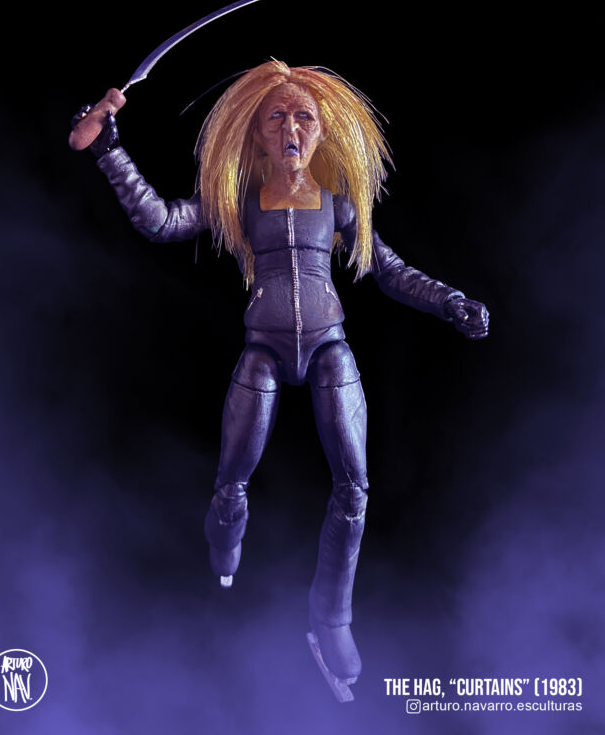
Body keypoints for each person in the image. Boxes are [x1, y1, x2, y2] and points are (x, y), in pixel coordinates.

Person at [71, 59, 489, 700]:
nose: (291, 130)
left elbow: (390, 269)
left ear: (322, 131)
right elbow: (160, 220)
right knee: (230, 484)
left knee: (354, 488)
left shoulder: (339, 204)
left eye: (303, 118)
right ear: (256, 134)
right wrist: (109, 149)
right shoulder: (238, 201)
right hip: (262, 351)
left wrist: (450, 300)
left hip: (329, 350)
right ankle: (223, 560)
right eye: (276, 117)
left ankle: (333, 618)